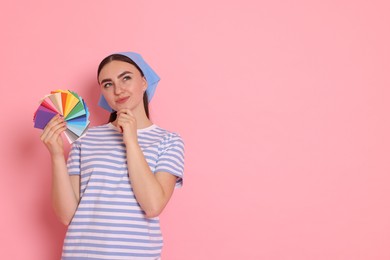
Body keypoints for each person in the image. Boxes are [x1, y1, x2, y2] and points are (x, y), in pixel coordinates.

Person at [40, 52, 185, 260]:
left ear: (144, 82)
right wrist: (56, 156)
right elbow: (66, 215)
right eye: (107, 84)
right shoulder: (86, 138)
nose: (118, 89)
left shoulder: (169, 141)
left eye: (126, 78)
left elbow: (153, 206)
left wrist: (131, 141)